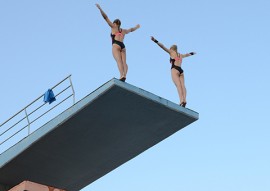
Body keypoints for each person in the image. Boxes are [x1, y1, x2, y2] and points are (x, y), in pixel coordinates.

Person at [96, 4, 140, 82]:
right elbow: (131, 29)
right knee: (124, 63)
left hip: (116, 45)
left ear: (115, 23)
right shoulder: (123, 31)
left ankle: (121, 75)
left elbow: (105, 17)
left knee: (118, 61)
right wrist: (137, 27)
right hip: (123, 46)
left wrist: (100, 9)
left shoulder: (113, 27)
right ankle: (124, 75)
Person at [151, 36, 196, 107]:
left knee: (178, 85)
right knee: (183, 86)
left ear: (172, 48)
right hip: (181, 71)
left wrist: (155, 41)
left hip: (175, 69)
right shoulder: (180, 55)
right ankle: (185, 100)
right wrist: (192, 53)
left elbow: (162, 46)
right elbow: (187, 54)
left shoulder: (171, 52)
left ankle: (181, 100)